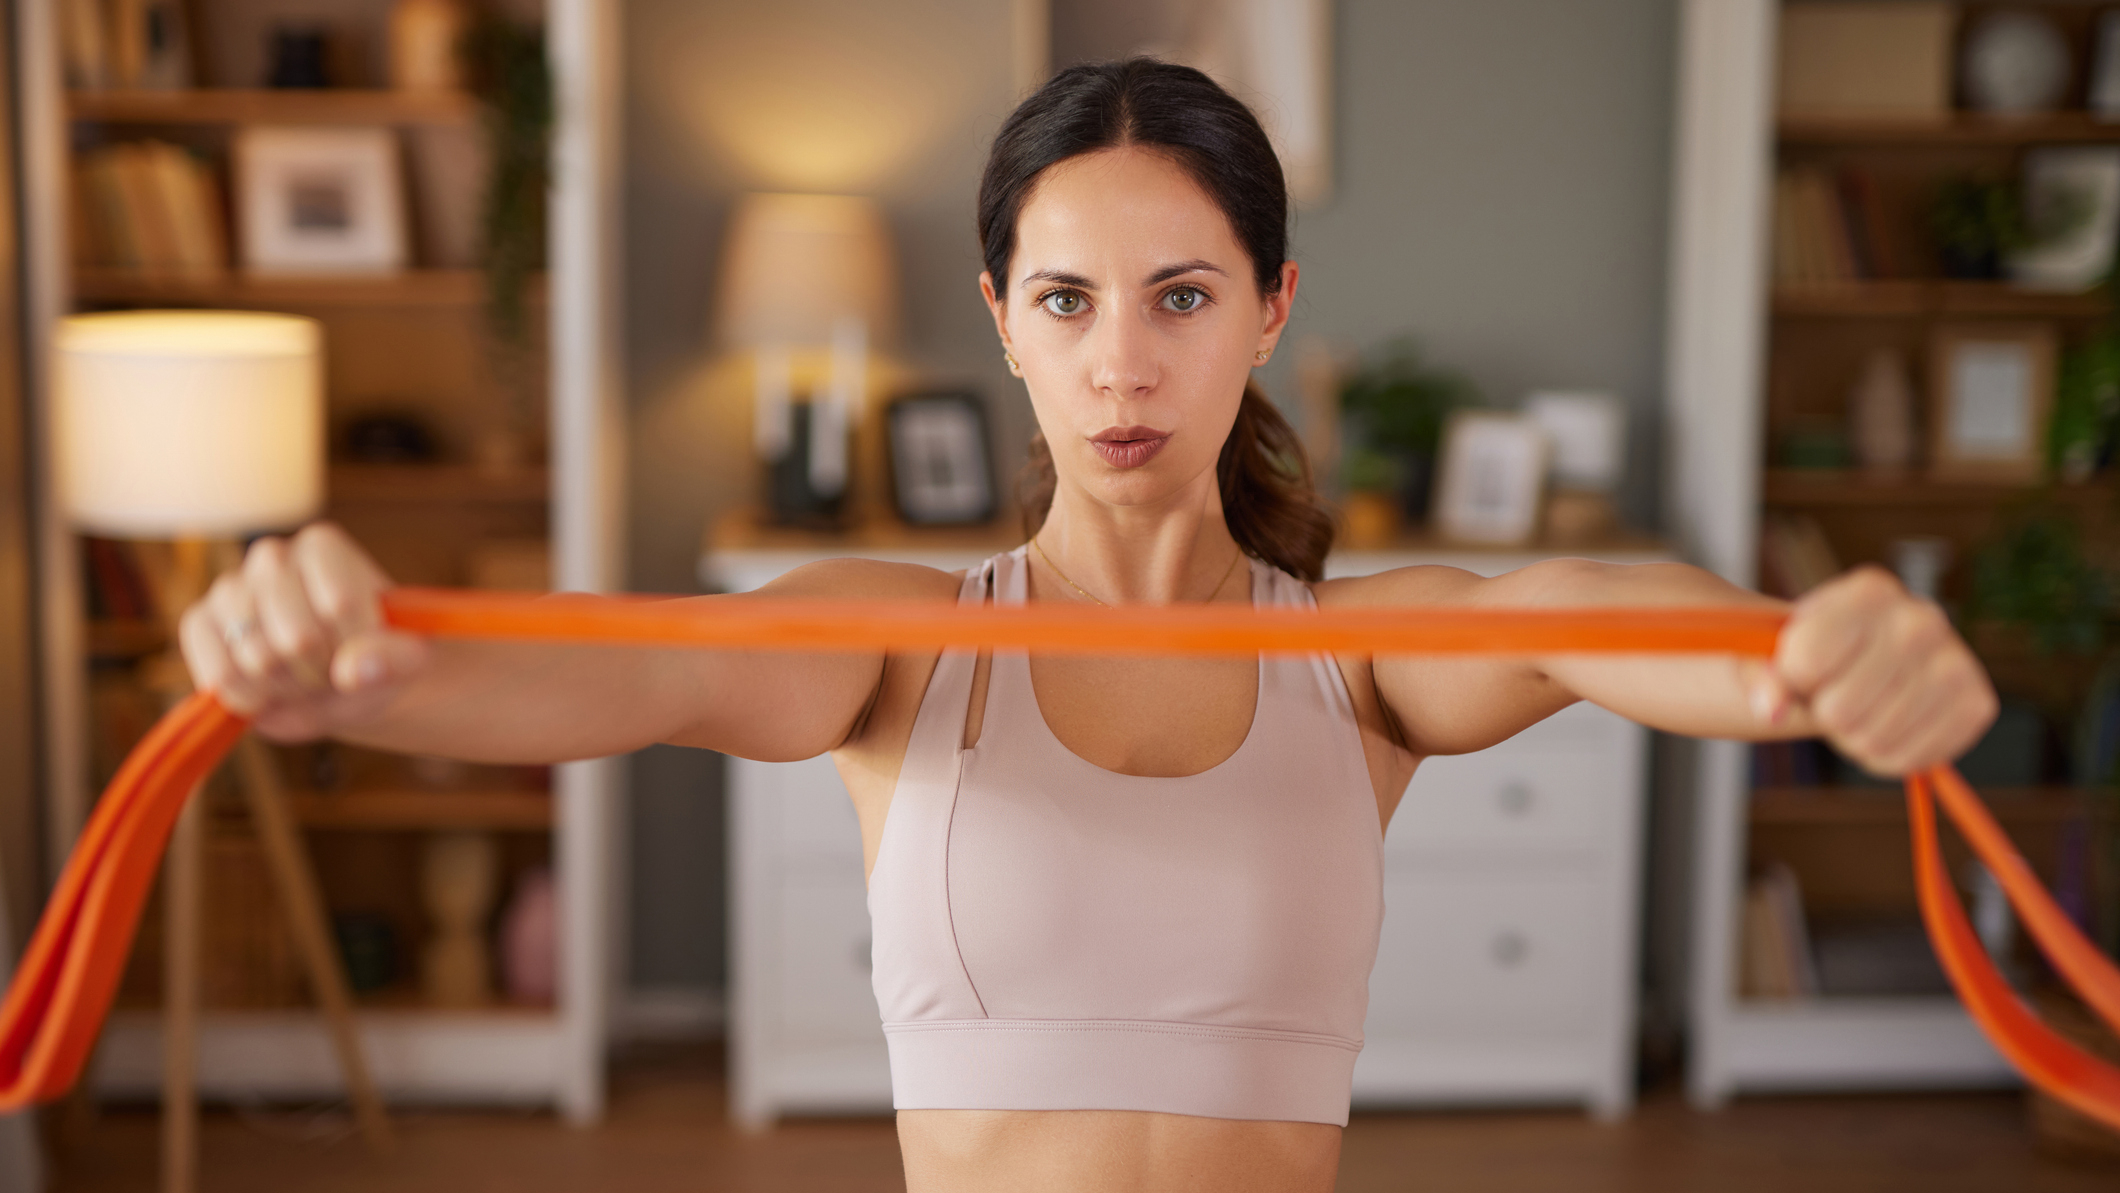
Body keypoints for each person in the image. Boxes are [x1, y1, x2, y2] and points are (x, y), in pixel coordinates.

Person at [181, 58, 1995, 1193]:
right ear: (1002, 321)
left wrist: (1807, 657)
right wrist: (359, 665)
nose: (1123, 363)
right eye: (1068, 300)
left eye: (1182, 296)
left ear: (1272, 308)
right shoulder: (903, 645)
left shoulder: (1360, 664)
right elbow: (625, 660)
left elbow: (1580, 612)